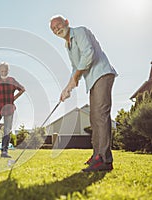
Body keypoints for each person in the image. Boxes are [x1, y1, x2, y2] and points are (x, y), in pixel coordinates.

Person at [50, 15, 118, 172]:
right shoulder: (67, 46)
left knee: (100, 115)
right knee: (94, 119)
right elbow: (76, 68)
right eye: (53, 29)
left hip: (102, 74)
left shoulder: (79, 32)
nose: (57, 29)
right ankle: (96, 156)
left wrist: (75, 77)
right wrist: (67, 88)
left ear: (66, 22)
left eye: (58, 25)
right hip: (92, 80)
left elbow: (89, 54)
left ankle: (105, 160)